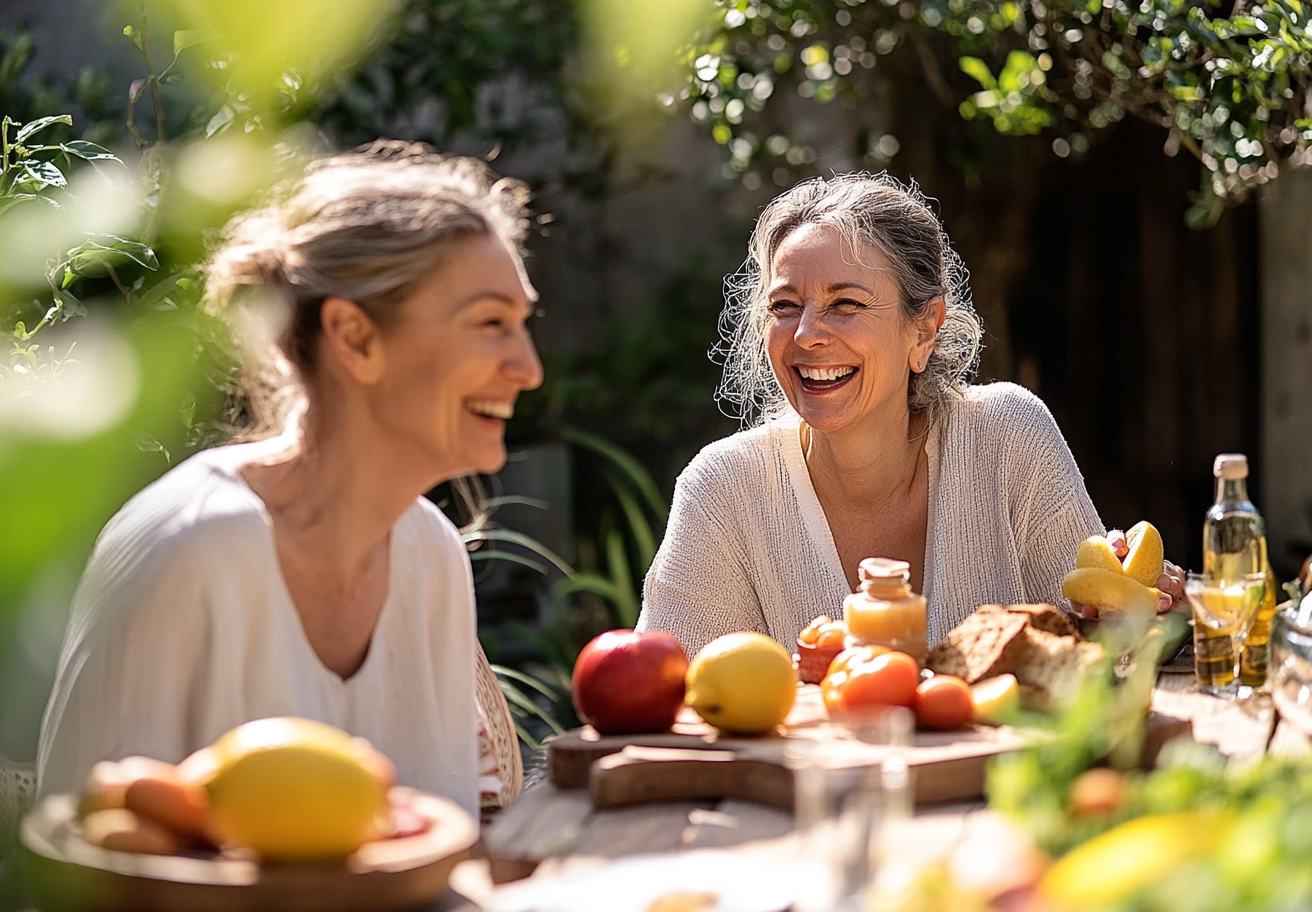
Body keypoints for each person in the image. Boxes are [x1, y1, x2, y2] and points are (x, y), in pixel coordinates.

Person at [36, 141, 543, 818]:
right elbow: (80, 854)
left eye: (521, 324)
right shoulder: (184, 550)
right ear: (354, 338)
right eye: (490, 324)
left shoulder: (432, 556)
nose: (528, 369)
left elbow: (449, 837)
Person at [636, 172, 1182, 658]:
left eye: (845, 304)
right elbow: (664, 693)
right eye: (784, 306)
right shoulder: (723, 491)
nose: (805, 334)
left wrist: (1148, 614)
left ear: (922, 330)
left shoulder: (1008, 437)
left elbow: (1105, 650)